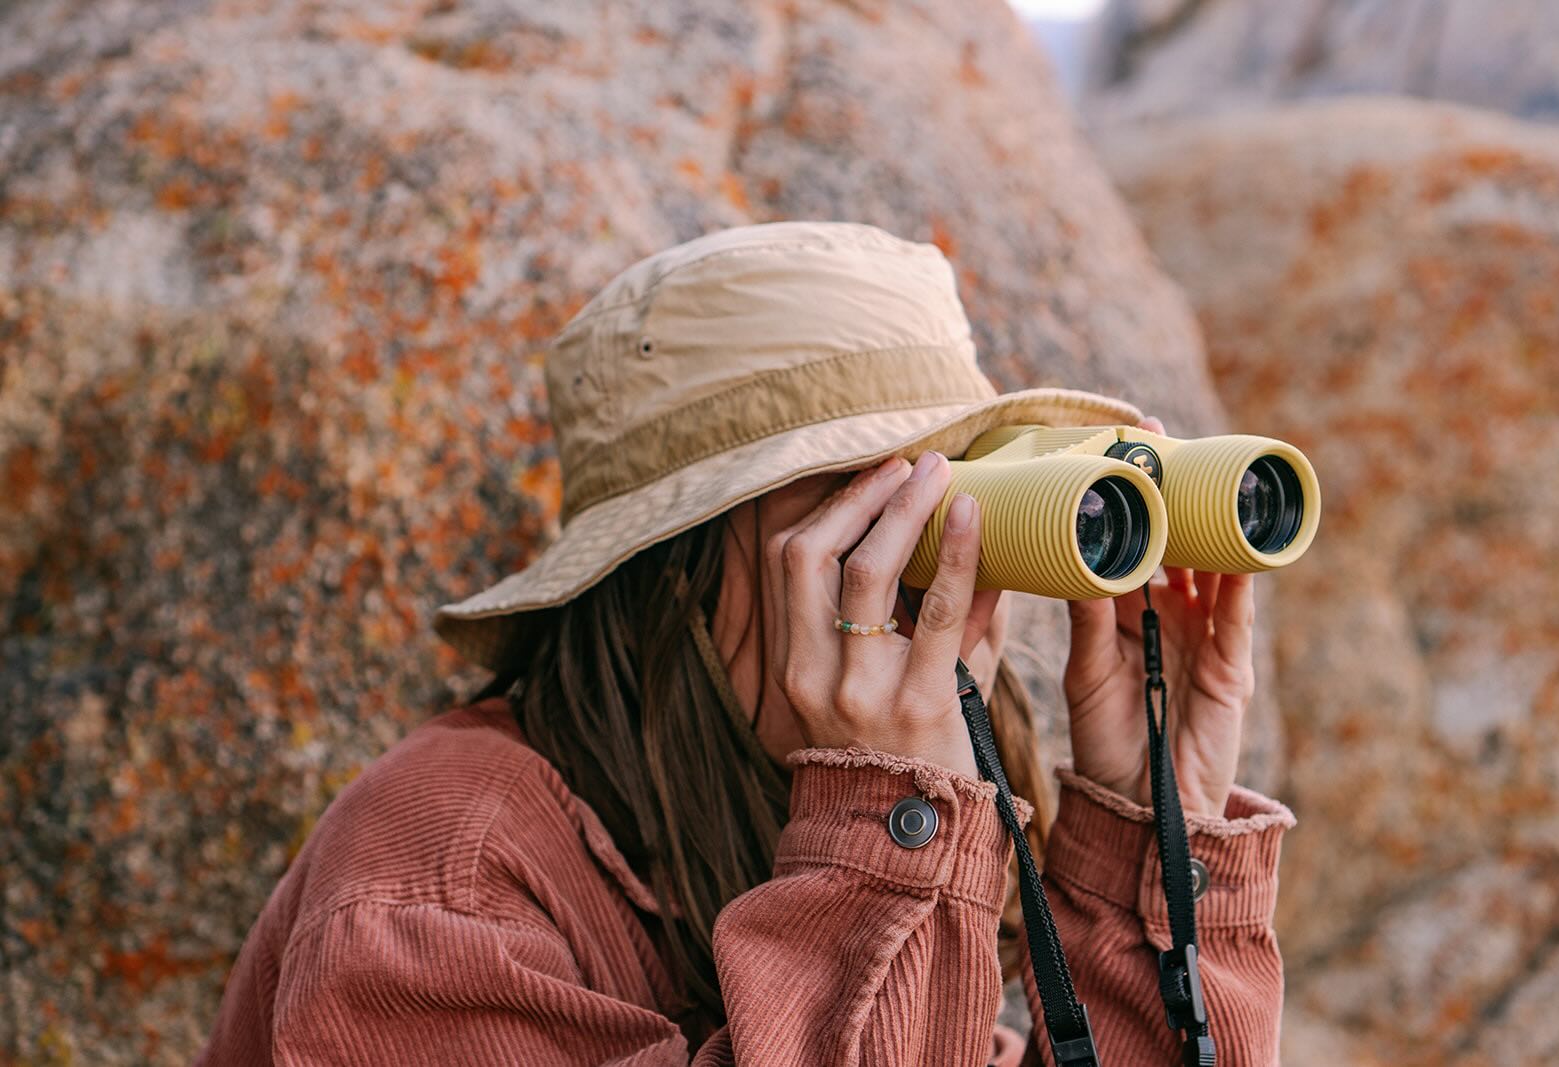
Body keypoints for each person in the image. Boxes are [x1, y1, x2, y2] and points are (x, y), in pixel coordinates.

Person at [197, 221, 1294, 1066]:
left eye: (956, 508)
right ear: (676, 565)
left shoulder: (758, 798)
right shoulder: (446, 884)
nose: (931, 581)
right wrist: (884, 833)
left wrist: (1159, 832)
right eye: (869, 518)